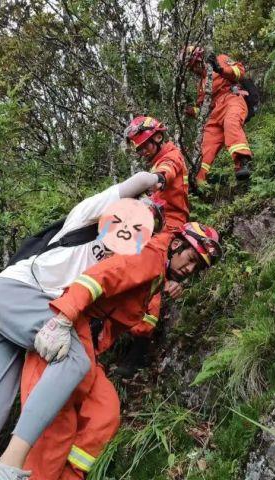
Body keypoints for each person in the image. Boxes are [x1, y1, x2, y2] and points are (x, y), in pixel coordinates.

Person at [0, 172, 165, 480]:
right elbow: (137, 180)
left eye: (145, 224)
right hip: (15, 292)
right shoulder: (87, 217)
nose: (133, 222)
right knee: (73, 358)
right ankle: (6, 469)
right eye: (134, 212)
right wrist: (156, 178)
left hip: (3, 313)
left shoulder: (119, 260)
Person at [17, 222, 222, 480]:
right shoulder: (149, 255)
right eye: (191, 259)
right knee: (55, 426)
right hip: (66, 332)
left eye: (197, 267)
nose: (190, 269)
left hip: (87, 346)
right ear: (177, 244)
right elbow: (97, 278)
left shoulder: (158, 270)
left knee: (105, 412)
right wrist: (63, 319)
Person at [116, 116, 192, 377]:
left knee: (152, 269)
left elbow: (167, 172)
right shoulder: (159, 160)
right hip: (152, 221)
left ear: (158, 137)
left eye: (147, 144)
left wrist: (157, 179)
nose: (144, 150)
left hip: (170, 225)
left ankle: (139, 344)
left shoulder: (170, 157)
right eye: (140, 147)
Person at [183, 46, 252, 184]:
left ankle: (243, 162)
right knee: (205, 148)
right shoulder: (202, 84)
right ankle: (196, 182)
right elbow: (203, 110)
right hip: (214, 114)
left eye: (195, 65)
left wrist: (220, 69)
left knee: (231, 123)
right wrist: (190, 110)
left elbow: (239, 71)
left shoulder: (220, 59)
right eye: (192, 68)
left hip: (231, 99)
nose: (195, 70)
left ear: (200, 58)